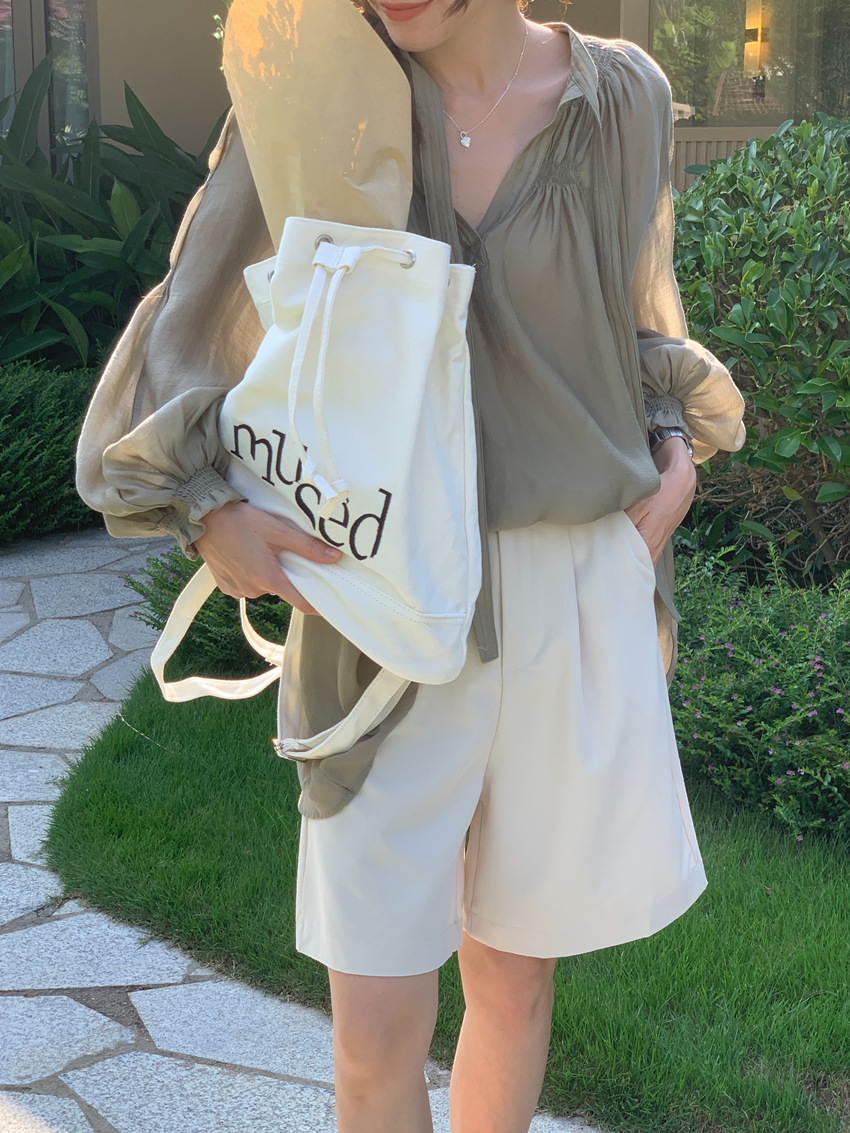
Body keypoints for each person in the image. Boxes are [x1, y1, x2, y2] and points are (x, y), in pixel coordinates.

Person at [76, 1, 746, 1130]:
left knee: (513, 978)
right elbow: (195, 311)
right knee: (372, 1029)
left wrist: (672, 449)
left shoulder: (621, 97)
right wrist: (204, 506)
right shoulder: (312, 91)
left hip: (569, 587)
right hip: (376, 588)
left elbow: (627, 319)